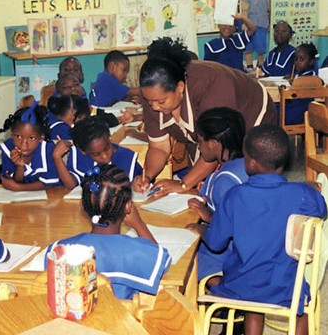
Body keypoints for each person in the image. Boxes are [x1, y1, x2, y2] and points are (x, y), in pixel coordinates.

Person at [198, 125, 327, 335]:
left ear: (250, 162)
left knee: (251, 282)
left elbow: (215, 243)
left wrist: (200, 229)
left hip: (240, 288)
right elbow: (321, 209)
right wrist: (308, 187)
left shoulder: (235, 196)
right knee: (300, 302)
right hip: (285, 288)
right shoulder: (302, 195)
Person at [132, 37, 276, 196]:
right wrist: (148, 177)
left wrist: (183, 184)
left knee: (240, 181)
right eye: (149, 101)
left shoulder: (211, 85)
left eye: (160, 101)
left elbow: (216, 146)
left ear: (180, 87)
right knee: (202, 184)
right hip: (210, 132)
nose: (154, 107)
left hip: (251, 111)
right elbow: (159, 147)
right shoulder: (152, 94)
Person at [44, 164, 171, 300]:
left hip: (77, 321)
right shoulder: (139, 251)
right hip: (122, 319)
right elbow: (162, 265)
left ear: (82, 205)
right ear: (128, 206)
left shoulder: (58, 250)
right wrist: (139, 225)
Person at [185, 107, 248, 289]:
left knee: (192, 254)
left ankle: (221, 289)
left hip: (233, 249)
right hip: (249, 244)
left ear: (213, 144)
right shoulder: (243, 165)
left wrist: (207, 216)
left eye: (200, 141)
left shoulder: (224, 181)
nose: (199, 146)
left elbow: (231, 227)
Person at [52, 116, 142, 190]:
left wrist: (137, 184)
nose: (105, 156)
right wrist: (56, 157)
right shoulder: (80, 157)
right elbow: (70, 185)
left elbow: (139, 182)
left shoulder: (126, 158)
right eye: (96, 154)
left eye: (107, 148)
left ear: (109, 137)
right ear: (83, 151)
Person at [0, 102, 62, 191]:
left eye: (31, 138)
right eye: (18, 136)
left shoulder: (47, 149)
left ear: (41, 137)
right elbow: (13, 181)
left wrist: (19, 188)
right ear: (11, 134)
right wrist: (20, 167)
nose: (23, 144)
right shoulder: (8, 148)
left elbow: (49, 183)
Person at [279, 43, 322, 125]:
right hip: (294, 107)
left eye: (302, 59)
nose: (297, 62)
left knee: (274, 111)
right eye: (296, 59)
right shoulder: (298, 74)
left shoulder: (310, 77)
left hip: (301, 111)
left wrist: (294, 83)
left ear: (311, 62)